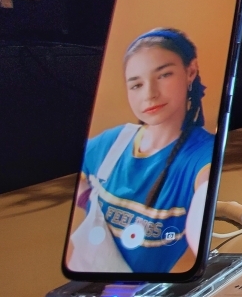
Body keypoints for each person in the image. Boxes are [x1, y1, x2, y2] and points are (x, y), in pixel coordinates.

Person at [67, 28, 215, 274]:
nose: (149, 94)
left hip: (144, 294)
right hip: (84, 285)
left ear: (190, 71)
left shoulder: (203, 155)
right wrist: (87, 200)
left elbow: (204, 197)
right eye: (136, 85)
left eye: (164, 75)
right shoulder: (112, 142)